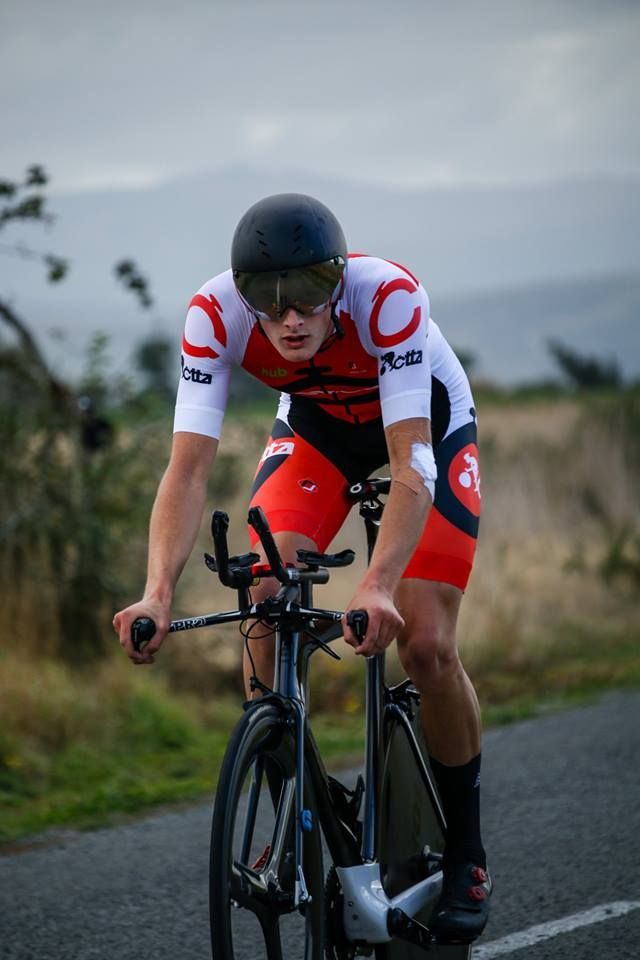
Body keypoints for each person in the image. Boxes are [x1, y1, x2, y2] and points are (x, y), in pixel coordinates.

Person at [113, 193, 491, 944]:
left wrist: (377, 585)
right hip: (319, 431)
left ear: (337, 280)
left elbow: (411, 465)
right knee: (263, 587)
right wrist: (156, 591)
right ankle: (292, 804)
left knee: (425, 645)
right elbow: (187, 471)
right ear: (243, 294)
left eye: (310, 295)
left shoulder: (386, 297)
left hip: (424, 428)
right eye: (269, 298)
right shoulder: (213, 316)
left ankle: (467, 855)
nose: (290, 318)